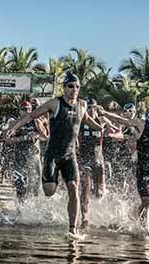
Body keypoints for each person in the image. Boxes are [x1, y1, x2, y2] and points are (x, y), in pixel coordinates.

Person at [6, 72, 104, 236]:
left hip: (69, 156)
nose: (74, 89)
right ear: (64, 88)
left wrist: (101, 128)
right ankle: (55, 182)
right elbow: (31, 115)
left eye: (77, 87)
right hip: (52, 156)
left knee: (74, 187)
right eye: (71, 86)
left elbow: (86, 119)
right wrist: (13, 128)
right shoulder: (55, 104)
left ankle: (73, 229)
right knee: (49, 191)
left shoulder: (81, 105)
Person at [5, 101, 47, 202]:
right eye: (24, 109)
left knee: (35, 186)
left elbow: (45, 137)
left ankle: (32, 209)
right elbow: (7, 140)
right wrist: (24, 137)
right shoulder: (14, 123)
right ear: (20, 111)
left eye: (29, 109)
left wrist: (36, 135)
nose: (27, 111)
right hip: (19, 157)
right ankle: (20, 208)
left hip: (33, 157)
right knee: (20, 187)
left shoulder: (36, 122)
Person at [78, 98, 107, 228]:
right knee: (85, 188)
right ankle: (85, 216)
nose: (90, 109)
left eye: (92, 107)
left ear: (96, 108)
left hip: (98, 161)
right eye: (88, 107)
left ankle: (96, 211)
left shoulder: (102, 121)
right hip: (84, 159)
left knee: (99, 193)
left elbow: (118, 131)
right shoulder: (81, 121)